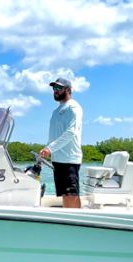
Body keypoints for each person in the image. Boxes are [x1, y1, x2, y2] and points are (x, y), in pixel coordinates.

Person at [39, 78, 83, 208]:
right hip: (57, 159)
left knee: (71, 193)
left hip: (69, 159)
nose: (56, 91)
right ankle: (68, 221)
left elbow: (71, 132)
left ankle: (77, 223)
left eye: (59, 88)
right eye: (54, 88)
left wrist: (50, 149)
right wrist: (46, 148)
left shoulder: (73, 107)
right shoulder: (56, 111)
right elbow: (54, 135)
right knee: (64, 193)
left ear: (68, 90)